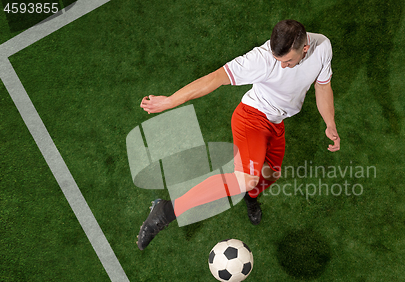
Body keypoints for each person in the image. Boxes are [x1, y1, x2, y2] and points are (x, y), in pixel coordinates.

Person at [137, 19, 340, 250]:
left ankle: (250, 198)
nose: (282, 66)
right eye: (278, 60)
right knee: (247, 178)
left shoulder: (323, 46)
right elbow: (215, 78)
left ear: (305, 48)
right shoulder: (262, 59)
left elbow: (323, 86)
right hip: (251, 118)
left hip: (276, 123)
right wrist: (171, 100)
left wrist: (330, 123)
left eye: (288, 61)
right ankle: (167, 210)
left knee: (269, 176)